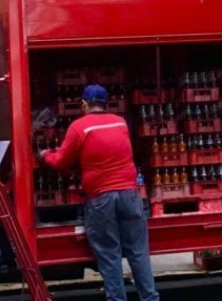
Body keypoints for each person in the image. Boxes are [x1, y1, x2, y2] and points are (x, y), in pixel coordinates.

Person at [39, 85, 159, 301]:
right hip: (130, 195)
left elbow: (61, 162)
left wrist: (44, 154)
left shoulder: (79, 127)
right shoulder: (120, 122)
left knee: (109, 254)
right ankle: (150, 298)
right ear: (105, 103)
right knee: (138, 252)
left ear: (84, 104)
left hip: (101, 198)